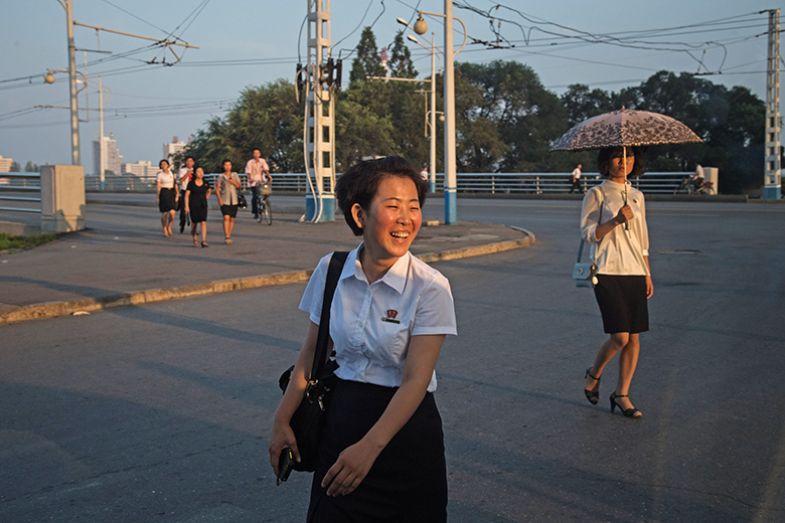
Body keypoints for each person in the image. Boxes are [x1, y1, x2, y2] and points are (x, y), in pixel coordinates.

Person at [268, 156, 457, 522]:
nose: (406, 219)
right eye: (393, 206)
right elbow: (311, 354)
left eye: (413, 207)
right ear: (359, 215)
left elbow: (416, 381)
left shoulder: (430, 287)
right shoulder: (331, 269)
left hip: (403, 434)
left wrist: (370, 448)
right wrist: (281, 420)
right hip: (341, 420)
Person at [580, 147, 653, 419]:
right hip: (607, 270)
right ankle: (594, 372)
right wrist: (615, 220)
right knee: (620, 336)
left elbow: (642, 239)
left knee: (634, 338)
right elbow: (588, 234)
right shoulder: (596, 194)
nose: (625, 161)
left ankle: (622, 394)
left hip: (634, 270)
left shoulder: (637, 196)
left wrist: (647, 272)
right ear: (606, 162)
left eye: (630, 156)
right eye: (618, 157)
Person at [214, 159, 242, 245]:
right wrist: (219, 199)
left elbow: (238, 186)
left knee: (232, 218)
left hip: (234, 200)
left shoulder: (235, 175)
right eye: (226, 165)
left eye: (229, 165)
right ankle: (227, 236)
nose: (228, 167)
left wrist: (232, 181)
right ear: (223, 166)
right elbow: (217, 189)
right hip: (224, 199)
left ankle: (229, 233)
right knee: (226, 217)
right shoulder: (220, 176)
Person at [185, 166, 211, 248]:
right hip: (193, 205)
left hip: (203, 205)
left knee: (203, 222)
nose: (201, 173)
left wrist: (207, 196)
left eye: (202, 171)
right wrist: (186, 206)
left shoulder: (206, 182)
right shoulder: (191, 183)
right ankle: (195, 238)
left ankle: (204, 240)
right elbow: (187, 195)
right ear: (195, 173)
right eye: (198, 171)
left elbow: (209, 190)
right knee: (195, 223)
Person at [244, 147, 272, 220]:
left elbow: (266, 169)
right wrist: (250, 179)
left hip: (262, 180)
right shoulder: (250, 162)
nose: (256, 154)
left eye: (257, 153)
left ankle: (264, 202)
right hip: (253, 182)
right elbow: (248, 172)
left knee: (267, 192)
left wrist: (269, 176)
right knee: (255, 196)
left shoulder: (262, 161)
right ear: (253, 154)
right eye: (255, 153)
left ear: (260, 154)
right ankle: (255, 212)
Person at [155, 159, 178, 238]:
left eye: (165, 164)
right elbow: (158, 186)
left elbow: (175, 184)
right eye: (162, 164)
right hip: (164, 193)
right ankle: (164, 228)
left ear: (168, 165)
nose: (163, 165)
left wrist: (177, 194)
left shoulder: (172, 174)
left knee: (172, 213)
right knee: (164, 213)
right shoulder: (160, 175)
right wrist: (157, 197)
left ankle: (169, 226)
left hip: (171, 192)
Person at [177, 156, 195, 233]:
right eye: (187, 161)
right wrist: (188, 173)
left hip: (194, 192)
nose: (189, 162)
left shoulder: (196, 170)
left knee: (194, 210)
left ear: (193, 162)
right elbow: (180, 181)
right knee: (184, 209)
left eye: (191, 161)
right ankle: (182, 222)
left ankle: (193, 228)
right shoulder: (182, 170)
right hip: (185, 190)